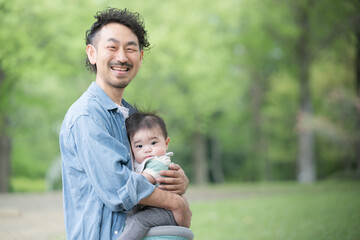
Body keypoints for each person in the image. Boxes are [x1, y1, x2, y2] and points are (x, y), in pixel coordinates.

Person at [59, 8, 191, 240]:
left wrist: (177, 180)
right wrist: (175, 203)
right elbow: (119, 190)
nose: (121, 57)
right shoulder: (87, 116)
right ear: (92, 53)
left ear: (140, 58)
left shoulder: (131, 116)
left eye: (130, 49)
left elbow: (146, 167)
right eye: (112, 47)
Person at [118, 111, 178, 240]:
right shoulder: (141, 163)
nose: (147, 149)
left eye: (153, 143)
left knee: (139, 221)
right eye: (139, 146)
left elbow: (141, 183)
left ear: (166, 143)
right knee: (128, 218)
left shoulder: (159, 162)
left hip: (165, 212)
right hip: (150, 208)